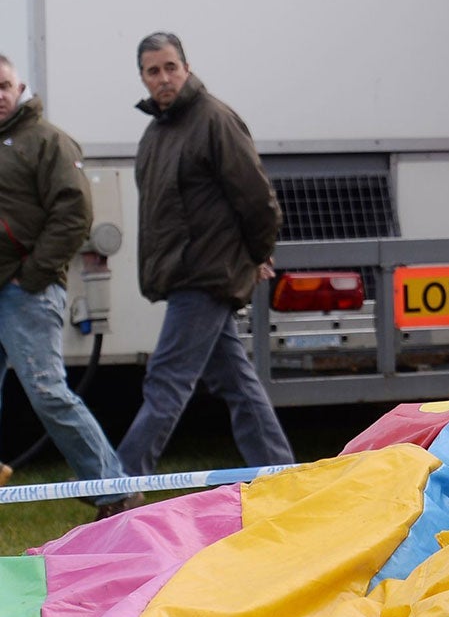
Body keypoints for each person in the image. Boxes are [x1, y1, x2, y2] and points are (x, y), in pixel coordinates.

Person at [117, 33, 296, 477]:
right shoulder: (157, 132)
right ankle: (283, 477)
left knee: (166, 381)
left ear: (187, 67)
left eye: (171, 67)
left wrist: (257, 255)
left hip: (207, 275)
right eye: (153, 71)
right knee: (237, 383)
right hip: (186, 275)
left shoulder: (214, 119)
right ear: (142, 77)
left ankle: (118, 484)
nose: (164, 78)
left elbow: (257, 199)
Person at [0, 54, 127, 511]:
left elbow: (74, 215)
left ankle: (114, 490)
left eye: (4, 85)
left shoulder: (48, 141)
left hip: (26, 291)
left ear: (20, 88)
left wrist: (32, 274)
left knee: (48, 392)